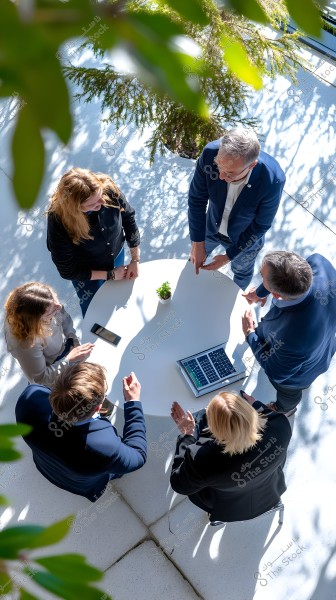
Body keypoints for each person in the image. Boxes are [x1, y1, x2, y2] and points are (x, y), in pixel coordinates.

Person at [15, 364, 147, 501]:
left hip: (46, 466)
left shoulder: (29, 399)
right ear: (98, 408)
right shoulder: (106, 447)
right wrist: (133, 403)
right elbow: (138, 455)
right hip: (82, 484)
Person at [170, 392, 292, 523]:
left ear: (214, 429)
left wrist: (187, 435)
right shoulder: (280, 425)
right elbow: (265, 413)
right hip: (271, 490)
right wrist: (254, 403)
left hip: (228, 509)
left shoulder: (205, 461)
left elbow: (179, 485)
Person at [188, 128, 285, 290]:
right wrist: (197, 243)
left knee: (241, 273)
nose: (221, 176)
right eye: (219, 166)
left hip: (244, 241)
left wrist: (229, 256)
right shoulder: (209, 153)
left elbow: (261, 225)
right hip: (210, 228)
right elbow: (197, 199)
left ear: (251, 165)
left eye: (230, 173)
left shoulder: (273, 180)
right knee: (194, 259)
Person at [242, 251, 336, 413]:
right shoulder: (319, 263)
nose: (260, 279)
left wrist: (250, 334)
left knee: (288, 393)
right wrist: (260, 293)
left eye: (261, 277)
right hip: (324, 344)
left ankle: (285, 408)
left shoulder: (293, 338)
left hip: (298, 376)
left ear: (277, 294)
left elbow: (276, 372)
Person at [46, 168, 141, 316]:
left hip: (116, 254)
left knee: (119, 297)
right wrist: (109, 275)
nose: (103, 202)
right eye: (94, 204)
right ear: (75, 208)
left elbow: (128, 218)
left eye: (100, 195)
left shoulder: (108, 189)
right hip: (88, 273)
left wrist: (135, 259)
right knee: (94, 311)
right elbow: (68, 270)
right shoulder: (59, 221)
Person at [4, 282, 94, 386]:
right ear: (36, 321)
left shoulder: (48, 302)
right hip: (54, 370)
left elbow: (64, 318)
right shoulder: (25, 343)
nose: (59, 307)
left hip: (64, 355)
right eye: (52, 312)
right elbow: (40, 380)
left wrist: (72, 339)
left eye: (56, 300)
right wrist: (69, 359)